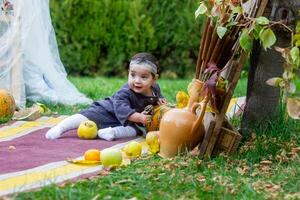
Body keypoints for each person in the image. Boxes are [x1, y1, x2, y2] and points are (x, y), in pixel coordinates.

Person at [46, 52, 166, 141]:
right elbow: (122, 109)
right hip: (107, 111)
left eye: (143, 77)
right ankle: (61, 127)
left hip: (127, 122)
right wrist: (139, 118)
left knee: (135, 131)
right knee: (85, 117)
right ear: (128, 72)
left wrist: (160, 99)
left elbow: (157, 96)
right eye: (133, 75)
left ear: (154, 79)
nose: (137, 81)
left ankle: (110, 132)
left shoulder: (155, 88)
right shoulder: (124, 93)